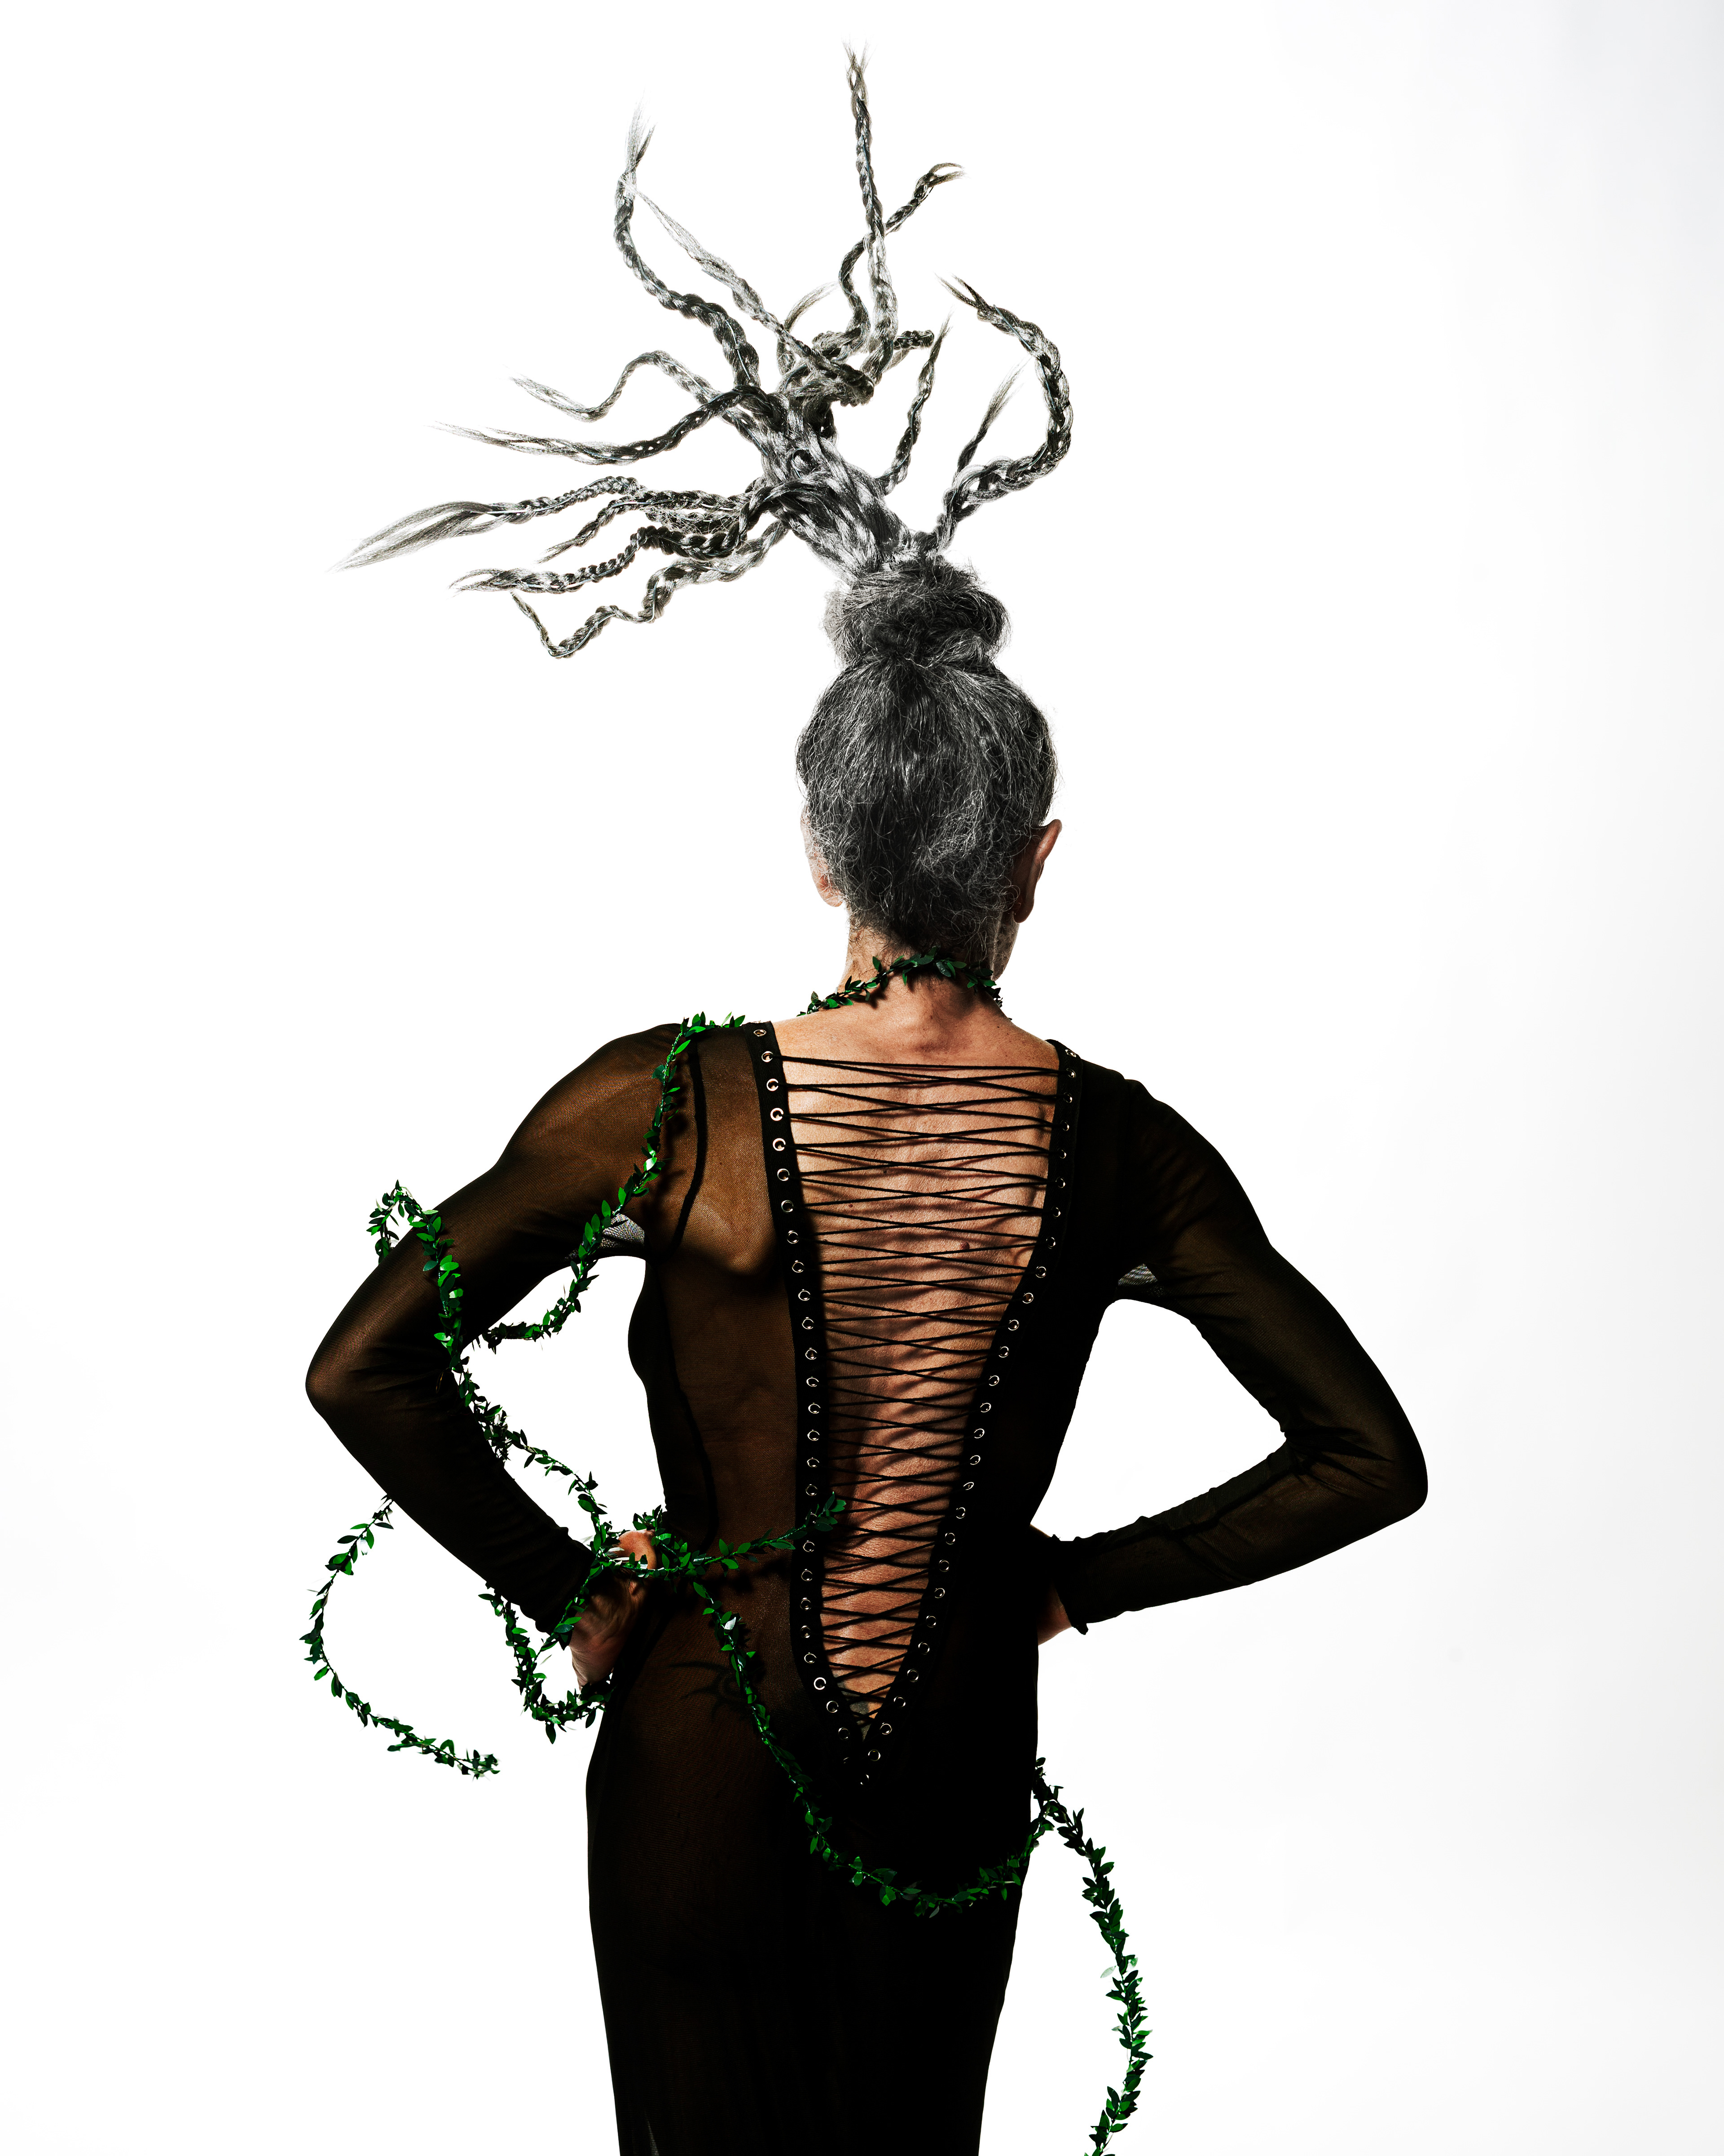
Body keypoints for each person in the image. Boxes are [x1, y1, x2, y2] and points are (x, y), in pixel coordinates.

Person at [308, 57, 1426, 2156]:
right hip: (955, 1747)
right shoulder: (1127, 1150)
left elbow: (364, 1362)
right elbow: (1367, 1457)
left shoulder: (664, 1106)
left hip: (696, 1737)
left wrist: (571, 1587)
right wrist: (1068, 1578)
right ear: (1035, 861)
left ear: (820, 848)